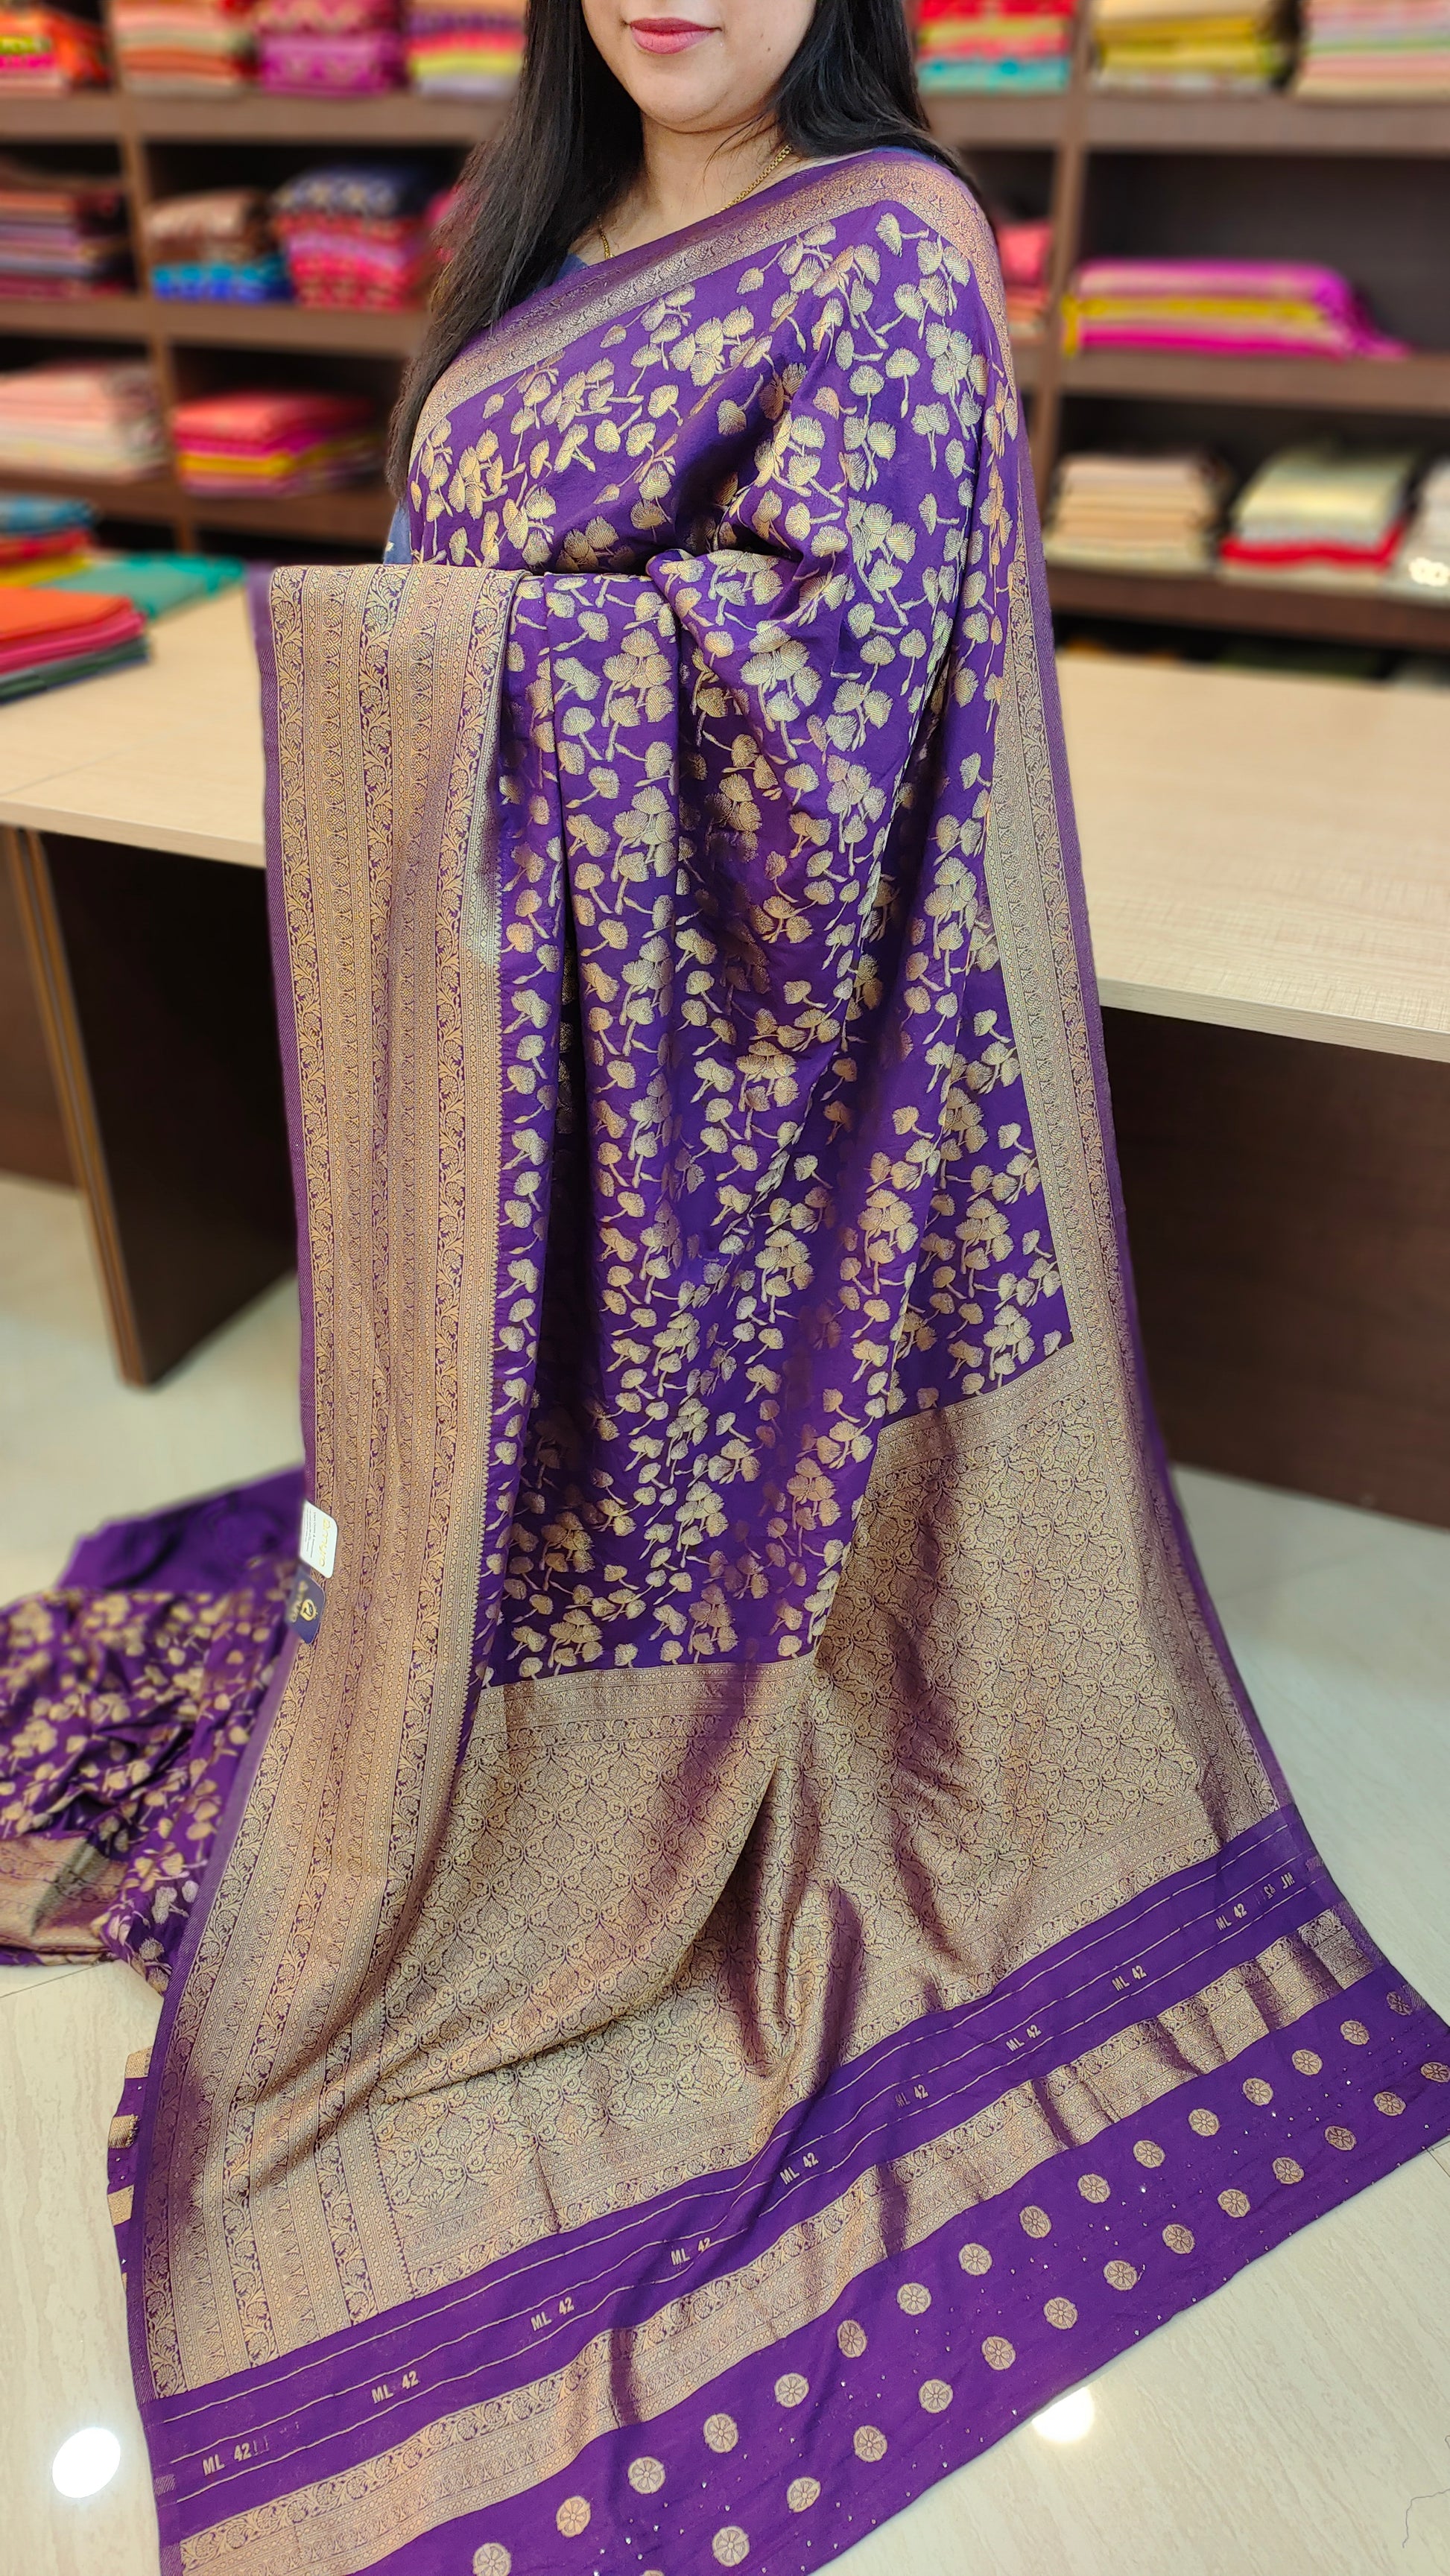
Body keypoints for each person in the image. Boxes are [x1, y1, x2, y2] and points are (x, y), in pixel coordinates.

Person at [4, 4, 1449, 2571]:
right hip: (532, 1089)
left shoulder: (884, 246)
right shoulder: (542, 232)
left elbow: (828, 704)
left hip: (782, 1104)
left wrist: (432, 674)